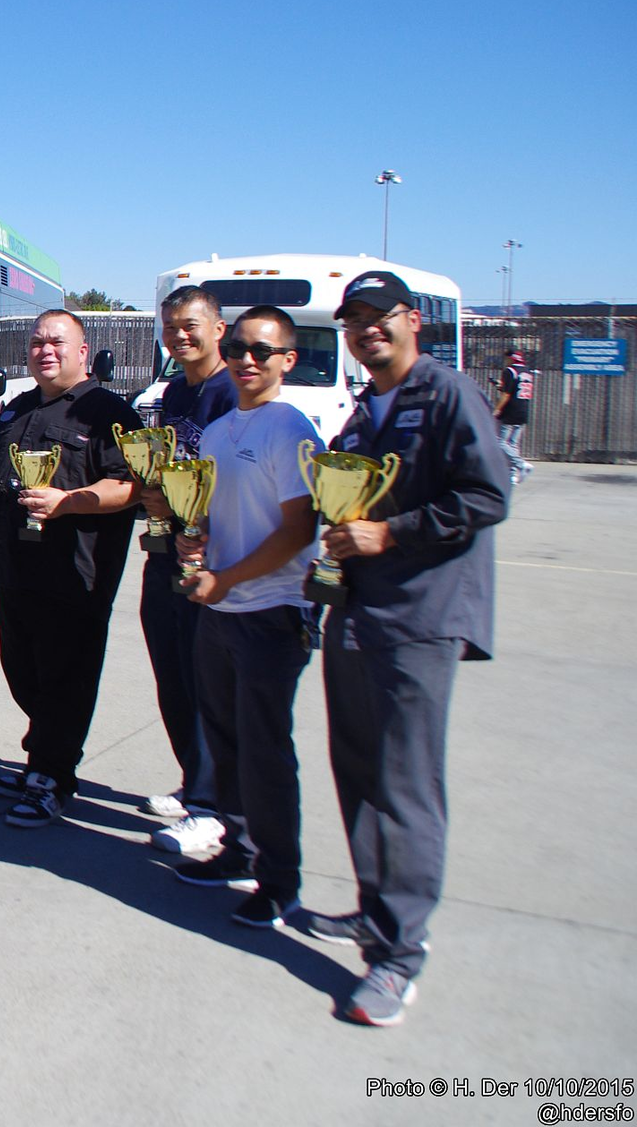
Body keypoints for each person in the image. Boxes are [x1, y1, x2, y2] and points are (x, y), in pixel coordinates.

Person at [307, 270, 509, 1027]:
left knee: (405, 786)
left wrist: (390, 532)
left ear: (411, 319)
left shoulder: (448, 394)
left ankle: (400, 957)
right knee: (357, 770)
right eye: (353, 320)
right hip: (357, 613)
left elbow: (487, 495)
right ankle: (374, 914)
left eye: (377, 316)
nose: (365, 331)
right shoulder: (364, 412)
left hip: (418, 617)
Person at [167, 306, 321, 928]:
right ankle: (239, 848)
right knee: (226, 743)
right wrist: (192, 542)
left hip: (271, 613)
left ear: (287, 359)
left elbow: (298, 529)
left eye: (262, 350)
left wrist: (225, 578)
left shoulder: (290, 428)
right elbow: (210, 513)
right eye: (237, 348)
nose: (246, 360)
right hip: (221, 610)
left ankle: (279, 882)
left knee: (265, 751)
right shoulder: (223, 428)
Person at [0, 309, 140, 827]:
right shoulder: (18, 408)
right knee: (22, 672)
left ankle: (54, 775)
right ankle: (40, 756)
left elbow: (128, 486)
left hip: (73, 575)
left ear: (82, 351)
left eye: (56, 342)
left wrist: (67, 502)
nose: (45, 350)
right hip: (13, 567)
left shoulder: (108, 413)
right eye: (36, 342)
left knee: (65, 679)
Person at [137, 286, 239, 852]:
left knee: (207, 682)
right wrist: (154, 498)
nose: (180, 334)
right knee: (172, 675)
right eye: (171, 325)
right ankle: (194, 780)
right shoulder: (174, 390)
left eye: (191, 324)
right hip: (166, 553)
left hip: (214, 560)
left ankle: (212, 804)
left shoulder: (232, 392)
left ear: (218, 329)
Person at [493, 349, 534, 485]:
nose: (505, 361)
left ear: (511, 358)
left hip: (511, 410)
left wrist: (497, 410)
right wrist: (500, 386)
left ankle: (521, 464)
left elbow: (507, 395)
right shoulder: (527, 371)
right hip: (523, 409)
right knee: (513, 444)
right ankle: (512, 475)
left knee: (500, 442)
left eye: (506, 359)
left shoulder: (510, 371)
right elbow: (515, 388)